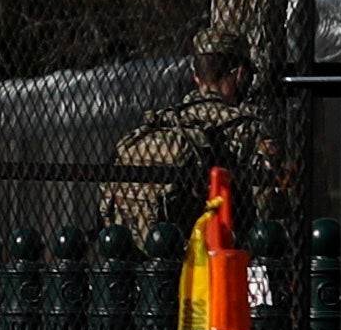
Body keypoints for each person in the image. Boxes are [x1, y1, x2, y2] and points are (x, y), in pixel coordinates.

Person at [108, 30, 281, 248]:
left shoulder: (166, 120)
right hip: (207, 256)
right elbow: (268, 206)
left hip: (140, 252)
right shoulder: (246, 128)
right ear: (238, 74)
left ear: (196, 77)